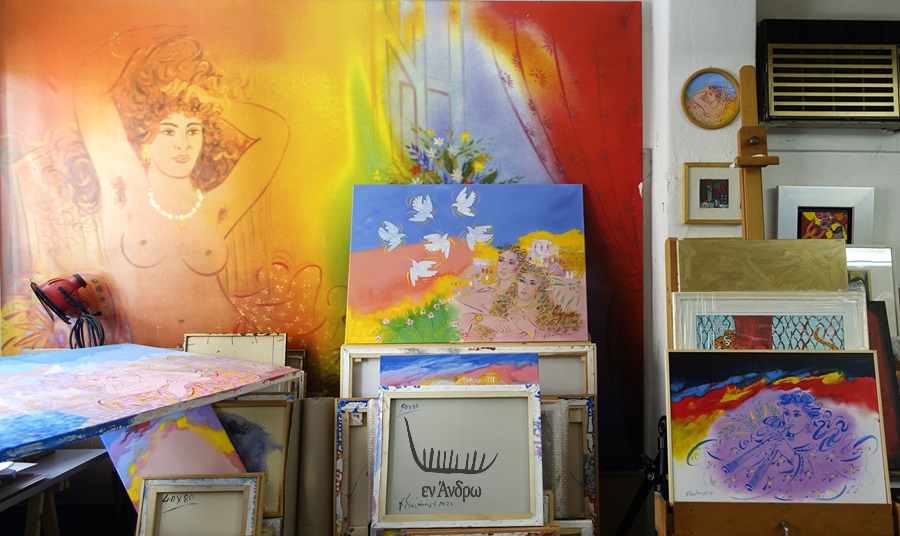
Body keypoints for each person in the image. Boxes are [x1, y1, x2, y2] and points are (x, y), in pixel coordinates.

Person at [75, 29, 289, 347]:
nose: (183, 144)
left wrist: (208, 101)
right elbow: (89, 98)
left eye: (193, 131)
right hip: (150, 357)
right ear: (146, 141)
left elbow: (275, 133)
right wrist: (147, 37)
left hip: (225, 354)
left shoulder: (217, 206)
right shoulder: (125, 192)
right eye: (169, 131)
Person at [465, 263, 583, 341]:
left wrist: (530, 330)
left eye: (532, 283)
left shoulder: (546, 314)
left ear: (540, 289)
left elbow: (562, 341)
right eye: (522, 281)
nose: (525, 287)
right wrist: (482, 319)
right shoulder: (501, 304)